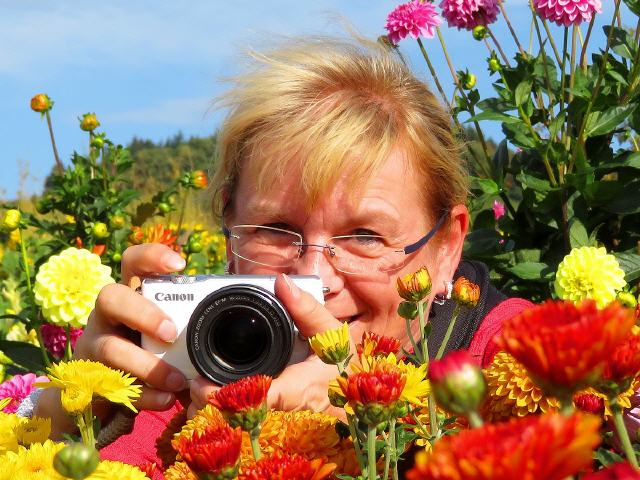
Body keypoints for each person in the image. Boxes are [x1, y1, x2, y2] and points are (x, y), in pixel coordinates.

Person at [32, 35, 532, 467]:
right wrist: (72, 412)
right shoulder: (199, 361)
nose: (315, 279)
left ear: (446, 247)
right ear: (229, 231)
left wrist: (371, 428)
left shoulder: (521, 364)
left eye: (364, 235)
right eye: (274, 229)